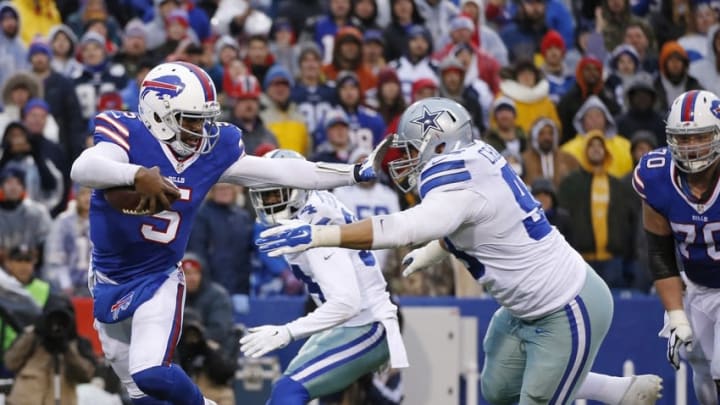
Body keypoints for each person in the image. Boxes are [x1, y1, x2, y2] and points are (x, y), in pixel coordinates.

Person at [256, 97, 663, 405]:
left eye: (413, 150)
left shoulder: (456, 181)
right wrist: (437, 250)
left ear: (440, 145)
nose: (404, 160)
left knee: (538, 397)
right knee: (496, 388)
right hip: (523, 306)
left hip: (566, 306)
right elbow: (477, 224)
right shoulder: (475, 158)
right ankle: (618, 390)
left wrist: (321, 236)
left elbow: (402, 228)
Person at [69, 61, 384, 405]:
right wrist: (135, 175)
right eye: (191, 119)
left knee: (151, 373)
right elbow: (83, 168)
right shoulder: (126, 133)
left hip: (158, 276)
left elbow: (281, 171)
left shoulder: (214, 149)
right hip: (107, 277)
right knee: (138, 392)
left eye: (205, 119)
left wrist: (353, 172)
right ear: (159, 113)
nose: (202, 130)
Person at [242, 148, 407, 405]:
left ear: (297, 189)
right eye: (263, 194)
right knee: (286, 393)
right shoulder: (314, 199)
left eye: (275, 193)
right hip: (353, 323)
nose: (267, 201)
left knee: (288, 392)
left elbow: (346, 303)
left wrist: (287, 332)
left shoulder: (315, 220)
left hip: (366, 324)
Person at [632, 89, 720, 404]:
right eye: (682, 138)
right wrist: (676, 315)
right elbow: (660, 252)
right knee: (701, 365)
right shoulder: (657, 175)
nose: (691, 147)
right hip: (695, 282)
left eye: (699, 137)